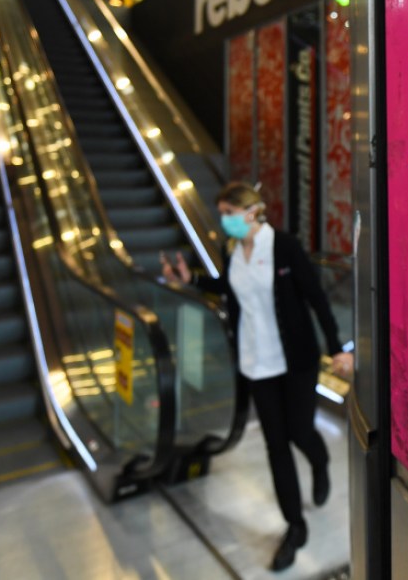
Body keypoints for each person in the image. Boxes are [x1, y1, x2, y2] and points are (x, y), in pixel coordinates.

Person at [165, 182, 354, 572]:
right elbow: (231, 289)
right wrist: (193, 280)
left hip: (295, 361)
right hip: (256, 364)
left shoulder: (284, 247)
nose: (224, 222)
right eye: (221, 215)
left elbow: (316, 297)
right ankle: (294, 527)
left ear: (251, 212)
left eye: (229, 214)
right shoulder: (232, 251)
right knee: (275, 446)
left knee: (299, 432)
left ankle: (319, 463)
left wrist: (337, 347)